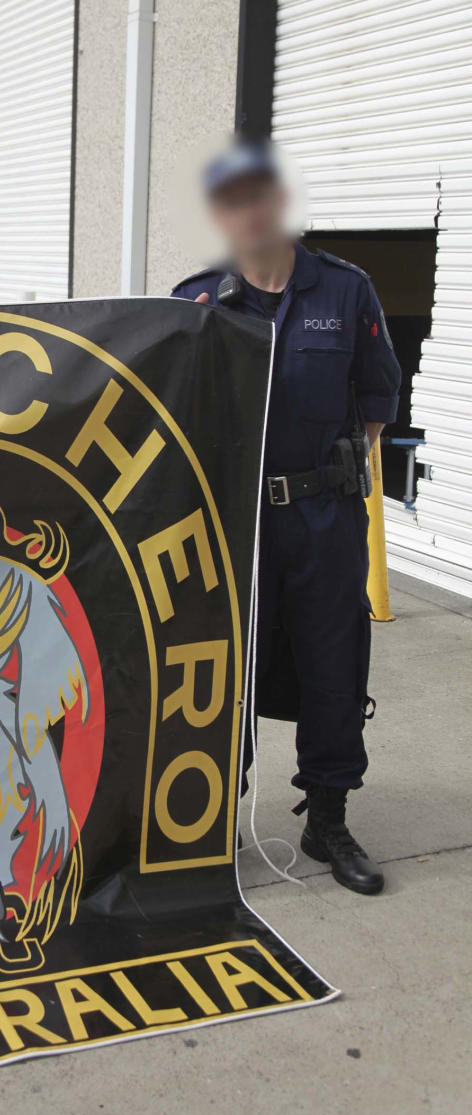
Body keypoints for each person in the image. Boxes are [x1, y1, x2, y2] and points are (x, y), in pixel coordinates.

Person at [172, 137, 401, 896]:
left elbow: (375, 400)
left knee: (334, 666)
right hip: (233, 523)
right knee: (223, 666)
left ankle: (326, 817)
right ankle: (211, 822)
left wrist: (333, 474)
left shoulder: (345, 291)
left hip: (323, 520)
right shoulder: (198, 301)